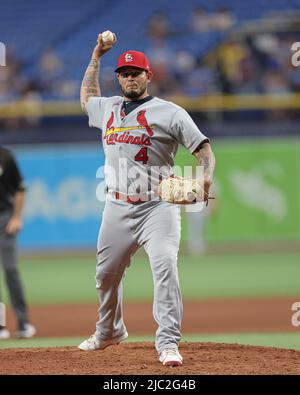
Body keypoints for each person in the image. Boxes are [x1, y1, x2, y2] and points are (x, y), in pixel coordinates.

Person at [78, 32, 215, 367]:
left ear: (148, 75)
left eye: (136, 72)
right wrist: (96, 56)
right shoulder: (108, 107)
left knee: (165, 266)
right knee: (105, 276)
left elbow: (204, 151)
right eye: (124, 73)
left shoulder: (171, 113)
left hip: (158, 206)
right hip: (116, 205)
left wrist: (206, 178)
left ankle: (168, 342)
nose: (130, 78)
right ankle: (109, 330)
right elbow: (86, 98)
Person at [0, 146, 36, 339]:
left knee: (10, 270)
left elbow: (20, 188)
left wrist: (16, 217)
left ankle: (23, 322)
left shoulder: (5, 157)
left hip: (5, 218)